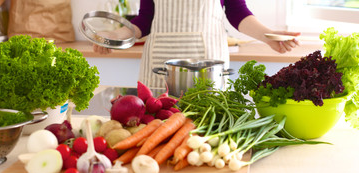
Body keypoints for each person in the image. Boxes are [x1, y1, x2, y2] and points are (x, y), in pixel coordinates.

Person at [93, 0, 300, 90]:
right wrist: (113, 36)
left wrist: (267, 35)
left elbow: (238, 11)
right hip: (159, 74)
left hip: (207, 72)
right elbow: (144, 20)